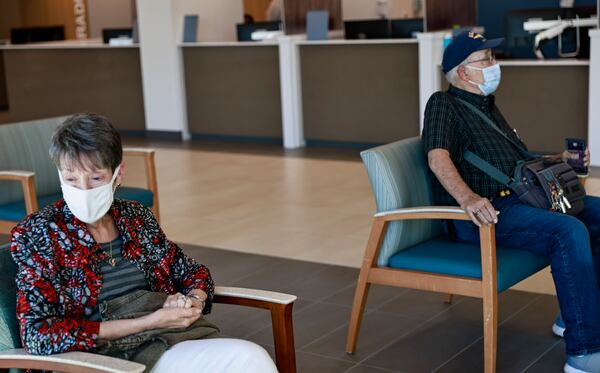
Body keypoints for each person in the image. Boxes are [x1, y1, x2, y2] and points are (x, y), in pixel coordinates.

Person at [10, 113, 277, 373]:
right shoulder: (39, 233)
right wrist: (150, 321)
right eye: (71, 179)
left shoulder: (135, 217)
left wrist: (192, 302)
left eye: (96, 178)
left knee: (250, 359)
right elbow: (38, 336)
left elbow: (191, 272)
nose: (84, 190)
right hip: (92, 362)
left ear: (118, 174)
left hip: (157, 344)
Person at [422, 32, 600, 373]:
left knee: (597, 213)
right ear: (463, 73)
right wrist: (468, 197)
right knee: (569, 231)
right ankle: (585, 352)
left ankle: (576, 316)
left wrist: (559, 159)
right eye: (486, 59)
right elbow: (437, 158)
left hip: (520, 200)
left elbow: (520, 165)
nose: (494, 65)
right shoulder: (443, 104)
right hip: (487, 214)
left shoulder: (487, 106)